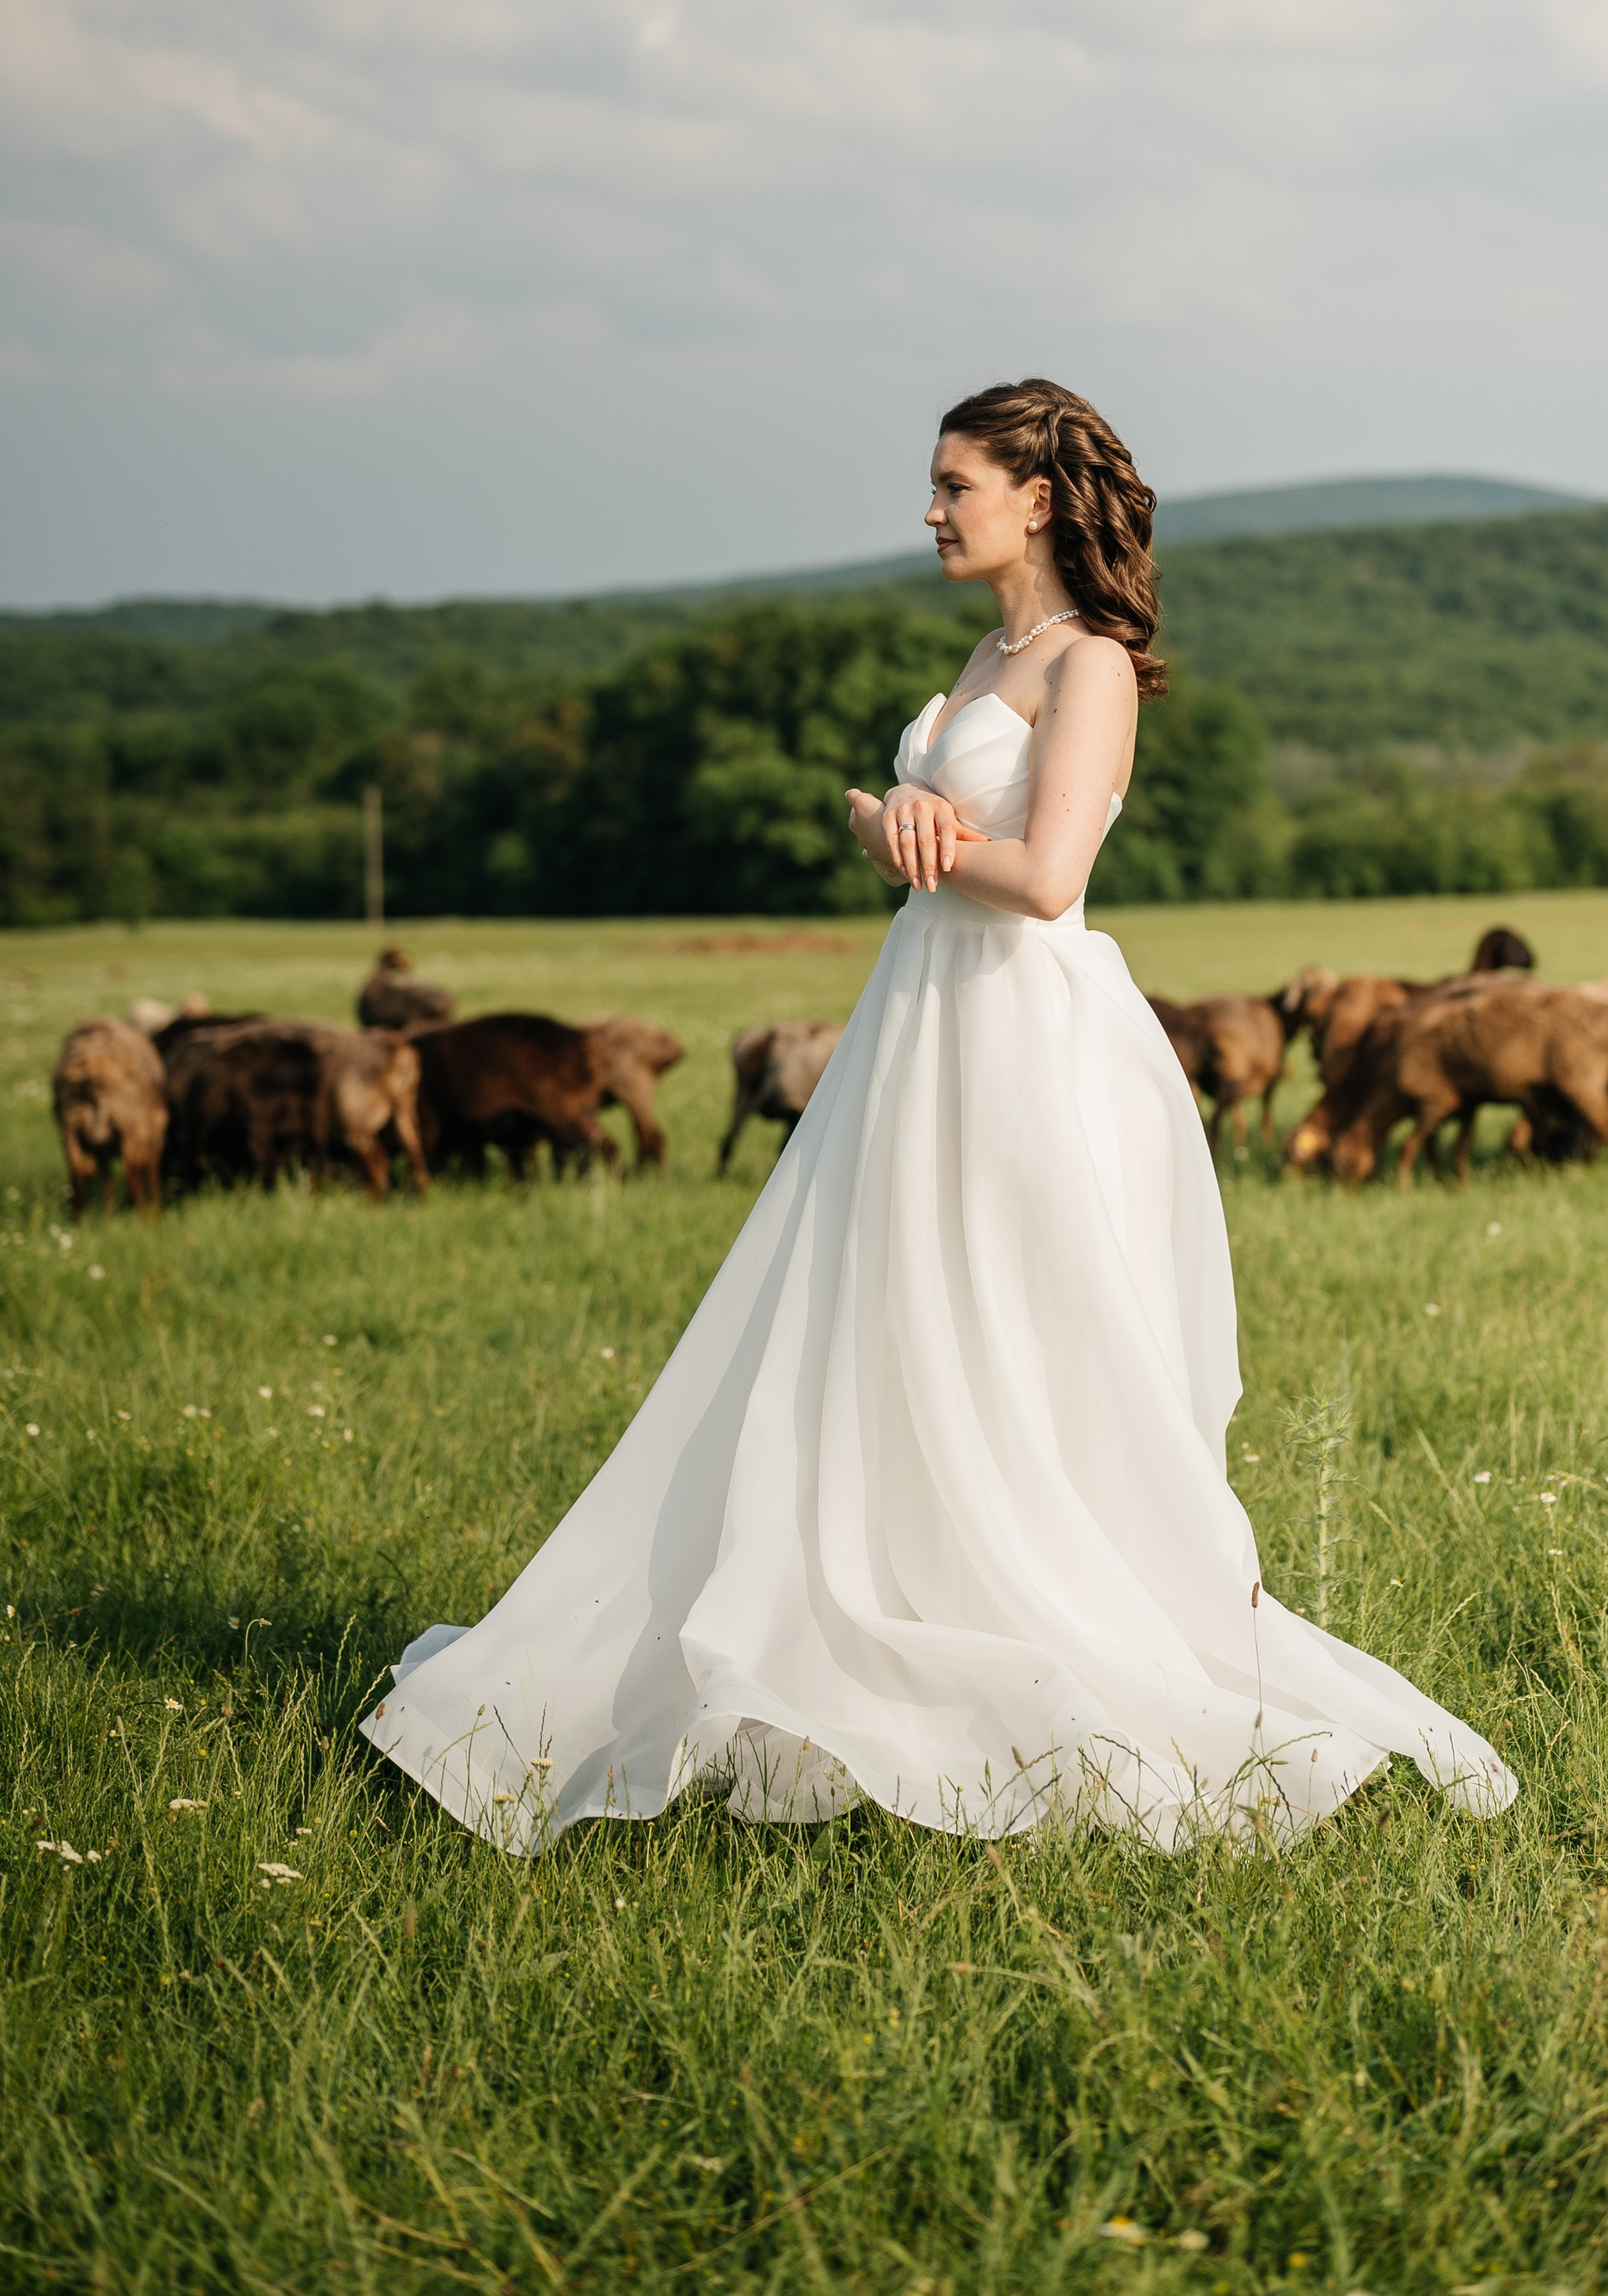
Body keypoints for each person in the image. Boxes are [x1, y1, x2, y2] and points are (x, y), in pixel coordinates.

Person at [362, 378, 1517, 1847]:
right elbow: (949, 842)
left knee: (1014, 1341)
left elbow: (1040, 879)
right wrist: (883, 818)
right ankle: (850, 1618)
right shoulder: (991, 648)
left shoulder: (1090, 664)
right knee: (876, 1334)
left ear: (1035, 496)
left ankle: (1039, 1639)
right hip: (919, 1027)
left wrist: (910, 827)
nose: (929, 510)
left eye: (953, 484)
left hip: (1019, 1036)